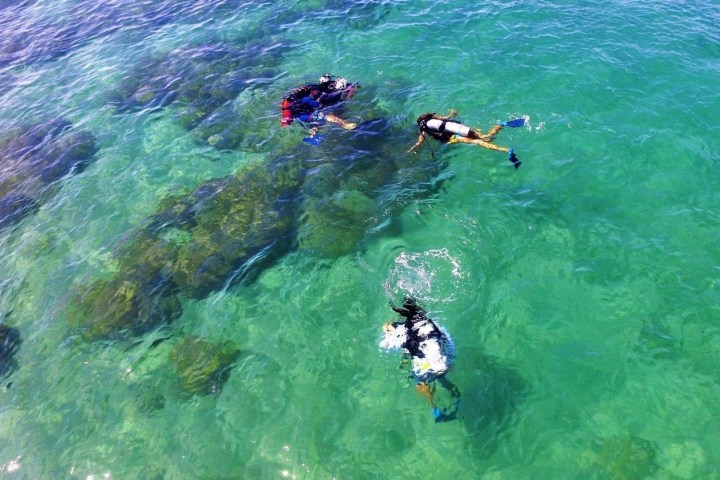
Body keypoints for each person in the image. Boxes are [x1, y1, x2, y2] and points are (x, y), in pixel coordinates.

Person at [380, 296, 461, 422]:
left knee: (420, 384)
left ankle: (434, 407)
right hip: (444, 363)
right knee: (442, 377)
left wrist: (387, 327)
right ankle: (455, 396)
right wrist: (451, 360)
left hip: (426, 368)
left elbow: (385, 343)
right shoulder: (432, 323)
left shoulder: (402, 330)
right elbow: (446, 339)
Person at [408, 109, 523, 168]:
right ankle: (501, 124)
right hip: (459, 128)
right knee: (486, 137)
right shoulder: (432, 118)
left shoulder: (423, 129)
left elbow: (420, 142)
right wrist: (452, 113)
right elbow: (446, 118)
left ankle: (506, 150)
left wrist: (412, 149)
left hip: (454, 137)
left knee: (478, 142)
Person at [280, 75, 359, 135]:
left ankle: (314, 130)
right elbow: (316, 104)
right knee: (325, 116)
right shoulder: (307, 98)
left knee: (320, 120)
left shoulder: (299, 100)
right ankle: (343, 124)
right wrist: (321, 98)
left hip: (301, 117)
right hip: (307, 116)